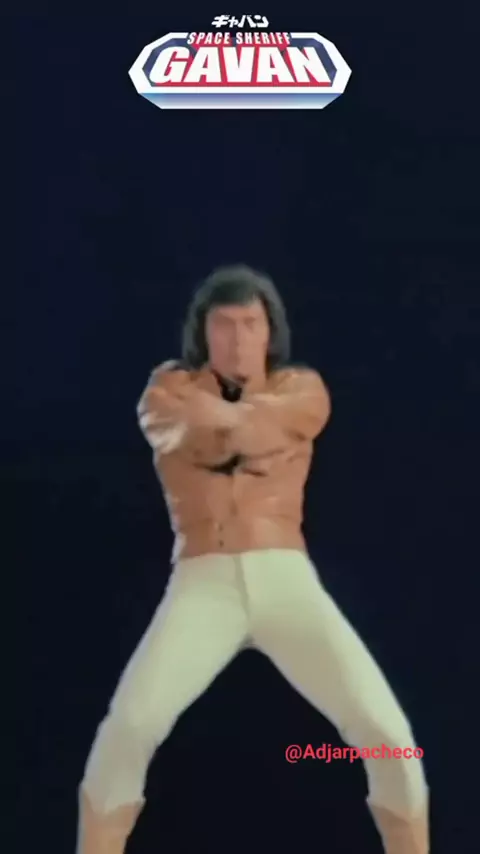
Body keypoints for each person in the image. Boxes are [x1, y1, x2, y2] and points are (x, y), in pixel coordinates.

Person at [76, 265, 429, 854]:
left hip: (285, 577)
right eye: (224, 325)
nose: (238, 339)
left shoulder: (301, 388)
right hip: (203, 581)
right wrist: (248, 427)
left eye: (250, 324)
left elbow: (249, 429)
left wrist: (229, 422)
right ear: (203, 332)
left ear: (270, 332)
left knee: (387, 735)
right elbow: (188, 430)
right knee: (130, 727)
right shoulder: (168, 388)